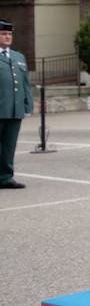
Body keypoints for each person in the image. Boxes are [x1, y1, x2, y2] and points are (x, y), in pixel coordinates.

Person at [0, 20, 33, 190]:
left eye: (9, 34)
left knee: (9, 146)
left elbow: (25, 83)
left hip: (14, 110)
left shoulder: (18, 57)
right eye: (4, 34)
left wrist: (28, 106)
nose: (7, 37)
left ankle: (6, 177)